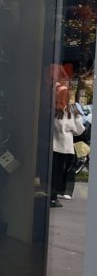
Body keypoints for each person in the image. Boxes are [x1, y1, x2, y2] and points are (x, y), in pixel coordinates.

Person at [51, 72, 84, 207]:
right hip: (66, 145)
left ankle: (53, 194)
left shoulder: (53, 110)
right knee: (61, 170)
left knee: (53, 170)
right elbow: (79, 129)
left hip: (53, 144)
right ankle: (58, 193)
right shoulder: (72, 110)